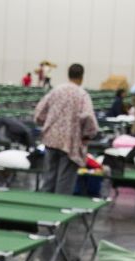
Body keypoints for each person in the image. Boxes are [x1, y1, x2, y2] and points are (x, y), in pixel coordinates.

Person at [33, 63, 99, 195]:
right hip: (70, 143)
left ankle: (42, 211)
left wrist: (46, 124)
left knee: (48, 180)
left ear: (68, 74)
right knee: (65, 182)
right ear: (81, 76)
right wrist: (88, 135)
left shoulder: (56, 90)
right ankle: (57, 212)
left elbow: (39, 113)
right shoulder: (82, 94)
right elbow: (88, 116)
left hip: (51, 139)